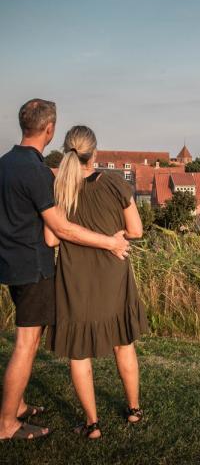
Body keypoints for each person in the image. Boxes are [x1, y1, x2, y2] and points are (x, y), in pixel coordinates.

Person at [0, 99, 130, 441]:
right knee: (26, 344)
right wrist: (110, 243)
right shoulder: (36, 171)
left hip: (11, 263)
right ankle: (6, 423)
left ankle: (19, 404)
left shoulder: (5, 164)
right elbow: (61, 230)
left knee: (27, 340)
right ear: (49, 128)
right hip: (33, 266)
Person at [45, 125, 149, 439]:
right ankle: (133, 410)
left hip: (75, 278)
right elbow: (137, 231)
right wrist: (114, 236)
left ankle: (92, 425)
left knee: (79, 354)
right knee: (124, 343)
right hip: (112, 273)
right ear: (96, 152)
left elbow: (51, 238)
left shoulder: (59, 189)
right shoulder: (115, 183)